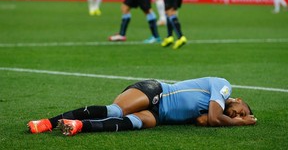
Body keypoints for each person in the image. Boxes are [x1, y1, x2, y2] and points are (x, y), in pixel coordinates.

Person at [28, 77, 257, 136]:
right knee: (116, 110)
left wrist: (232, 120)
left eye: (242, 116)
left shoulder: (210, 109)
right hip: (155, 91)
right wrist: (240, 122)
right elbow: (215, 118)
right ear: (239, 99)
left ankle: (78, 125)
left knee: (133, 124)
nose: (239, 114)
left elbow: (204, 120)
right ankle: (47, 122)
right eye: (243, 111)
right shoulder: (224, 87)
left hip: (159, 115)